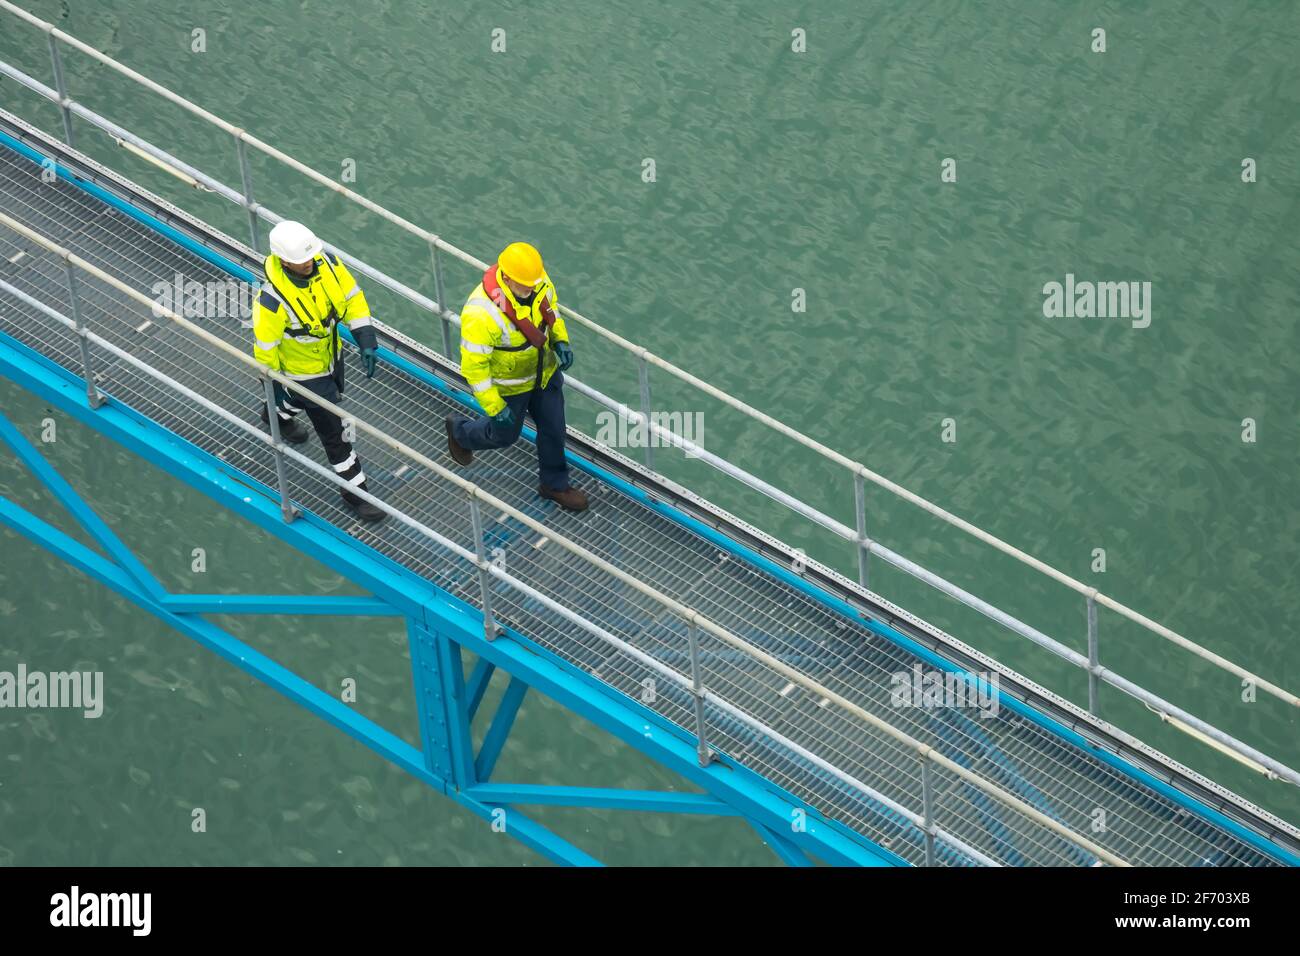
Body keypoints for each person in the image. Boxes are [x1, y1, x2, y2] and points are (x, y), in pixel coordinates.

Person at [252, 220, 385, 522]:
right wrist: (270, 381)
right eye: (301, 261)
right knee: (336, 434)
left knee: (297, 402)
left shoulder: (330, 264)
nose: (309, 263)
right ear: (284, 261)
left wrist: (366, 338)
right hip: (302, 374)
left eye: (310, 256)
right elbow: (265, 349)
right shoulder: (271, 302)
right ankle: (356, 495)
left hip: (330, 358)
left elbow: (353, 299)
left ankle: (277, 413)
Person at [445, 242, 588, 512]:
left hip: (544, 375)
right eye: (524, 285)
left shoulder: (537, 281)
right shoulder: (480, 314)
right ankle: (461, 433)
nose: (531, 289)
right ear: (507, 278)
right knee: (504, 436)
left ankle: (554, 485)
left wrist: (560, 341)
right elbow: (475, 369)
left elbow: (551, 312)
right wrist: (496, 408)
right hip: (510, 387)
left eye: (534, 283)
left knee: (554, 429)